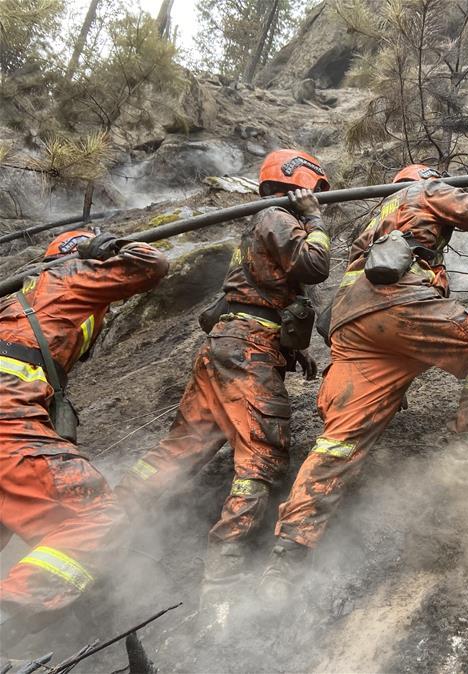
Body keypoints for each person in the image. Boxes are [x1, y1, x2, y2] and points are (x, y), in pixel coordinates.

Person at [259, 162, 468, 597]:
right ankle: (467, 455)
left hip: (354, 328)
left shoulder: (372, 220)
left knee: (339, 443)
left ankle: (286, 557)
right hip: (399, 305)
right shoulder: (425, 191)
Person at [115, 149, 332, 621]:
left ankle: (107, 525)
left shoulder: (258, 225)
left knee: (179, 450)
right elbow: (314, 266)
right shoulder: (277, 216)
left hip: (228, 345)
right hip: (246, 352)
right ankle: (223, 588)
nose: (318, 198)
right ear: (299, 183)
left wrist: (291, 349)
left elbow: (256, 295)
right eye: (316, 191)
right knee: (262, 455)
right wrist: (315, 220)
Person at [0, 229, 169, 643]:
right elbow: (152, 264)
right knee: (96, 516)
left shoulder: (15, 300)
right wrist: (110, 247)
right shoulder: (69, 275)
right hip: (8, 417)